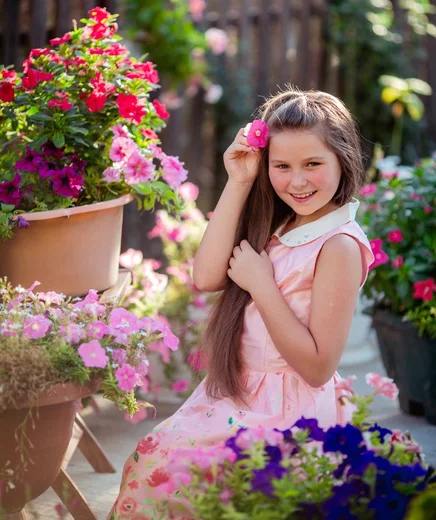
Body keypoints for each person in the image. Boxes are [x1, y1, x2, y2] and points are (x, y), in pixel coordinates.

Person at [108, 89, 374, 520]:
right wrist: (240, 180)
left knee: (177, 477)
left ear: (343, 160)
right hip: (237, 395)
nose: (298, 181)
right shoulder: (280, 220)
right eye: (281, 166)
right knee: (151, 461)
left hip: (290, 410)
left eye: (313, 164)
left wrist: (262, 284)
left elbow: (318, 367)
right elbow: (207, 276)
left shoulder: (338, 245)